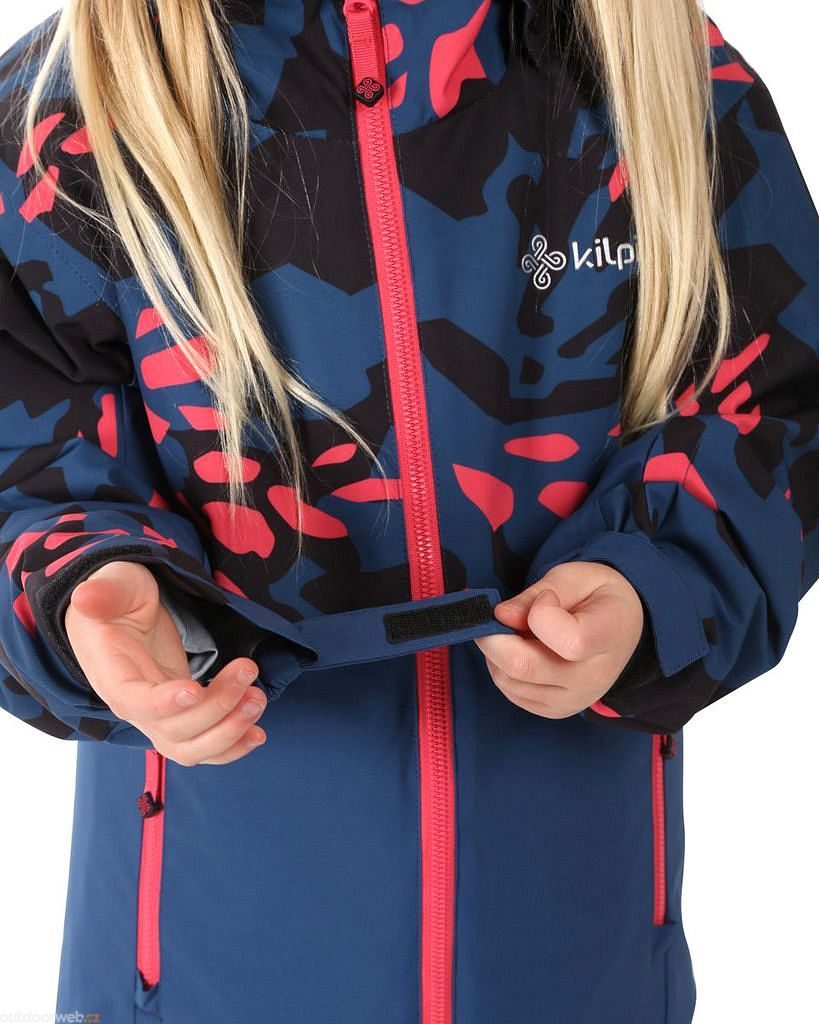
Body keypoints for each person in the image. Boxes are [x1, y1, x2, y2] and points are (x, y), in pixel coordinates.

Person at [0, 0, 816, 1020]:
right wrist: (83, 590)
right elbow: (26, 463)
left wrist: (645, 584)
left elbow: (771, 406)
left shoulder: (657, 71)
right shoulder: (71, 105)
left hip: (573, 959)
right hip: (204, 963)